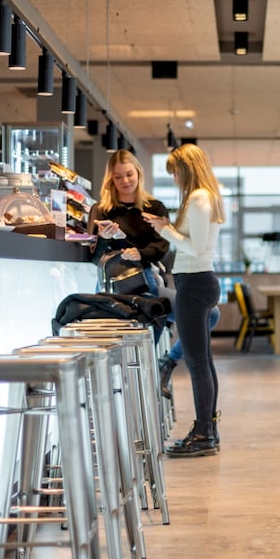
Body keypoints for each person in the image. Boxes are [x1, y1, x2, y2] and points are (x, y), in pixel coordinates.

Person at [144, 143, 225, 457]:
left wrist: (165, 230)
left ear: (187, 169)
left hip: (195, 282)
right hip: (199, 282)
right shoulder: (206, 197)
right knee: (203, 362)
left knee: (197, 363)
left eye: (176, 172)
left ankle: (203, 433)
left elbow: (195, 247)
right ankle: (208, 430)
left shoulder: (199, 198)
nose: (175, 178)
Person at [88, 149, 170, 290]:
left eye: (129, 174)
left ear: (138, 173)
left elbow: (162, 246)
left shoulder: (154, 208)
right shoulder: (101, 210)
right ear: (111, 179)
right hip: (111, 279)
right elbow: (95, 258)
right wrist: (103, 238)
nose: (125, 181)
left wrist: (140, 254)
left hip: (145, 276)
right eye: (118, 177)